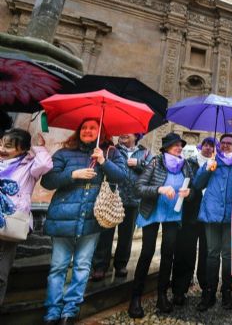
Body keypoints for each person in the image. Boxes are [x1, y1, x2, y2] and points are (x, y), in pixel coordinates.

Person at [41, 118, 126, 325]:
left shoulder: (111, 152)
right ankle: (52, 310)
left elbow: (122, 177)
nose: (87, 131)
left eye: (92, 128)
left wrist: (104, 161)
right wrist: (73, 174)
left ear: (101, 133)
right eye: (84, 128)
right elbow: (48, 181)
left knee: (82, 265)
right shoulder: (64, 153)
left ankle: (70, 310)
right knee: (58, 266)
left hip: (91, 217)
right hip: (63, 216)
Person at [128, 132, 194, 318]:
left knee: (168, 254)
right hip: (152, 213)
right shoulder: (155, 162)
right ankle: (136, 298)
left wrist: (189, 193)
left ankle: (162, 296)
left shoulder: (185, 165)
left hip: (173, 215)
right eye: (175, 144)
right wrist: (159, 189)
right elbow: (139, 187)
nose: (179, 147)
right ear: (166, 147)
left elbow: (193, 189)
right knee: (147, 253)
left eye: (180, 145)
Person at [193, 133, 232, 311]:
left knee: (227, 255)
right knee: (211, 253)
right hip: (211, 214)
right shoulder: (212, 162)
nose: (225, 145)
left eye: (228, 143)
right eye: (222, 143)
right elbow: (197, 184)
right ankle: (209, 292)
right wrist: (206, 169)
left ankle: (227, 291)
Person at [0, 129, 52, 305]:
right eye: (0, 144)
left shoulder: (29, 166)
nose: (2, 149)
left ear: (22, 148)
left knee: (1, 271)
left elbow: (45, 165)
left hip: (11, 221)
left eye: (8, 146)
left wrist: (39, 147)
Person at [91, 133, 150, 281]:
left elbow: (152, 170)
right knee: (105, 233)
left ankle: (121, 264)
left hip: (133, 199)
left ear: (136, 136)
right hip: (111, 196)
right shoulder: (112, 149)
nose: (123, 135)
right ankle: (100, 266)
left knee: (126, 236)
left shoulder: (145, 153)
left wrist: (139, 163)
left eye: (128, 132)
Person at [171, 137, 214, 306]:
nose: (208, 147)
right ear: (200, 146)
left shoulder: (217, 164)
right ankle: (179, 289)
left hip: (209, 214)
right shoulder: (189, 163)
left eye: (212, 145)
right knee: (184, 250)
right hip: (190, 212)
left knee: (206, 252)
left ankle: (206, 288)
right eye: (206, 144)